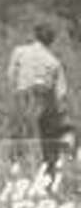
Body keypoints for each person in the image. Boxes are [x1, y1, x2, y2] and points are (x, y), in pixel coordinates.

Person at [8, 22, 71, 176]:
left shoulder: (19, 51)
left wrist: (16, 90)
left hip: (23, 95)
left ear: (35, 35)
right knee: (48, 137)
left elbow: (10, 75)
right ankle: (49, 171)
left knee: (20, 131)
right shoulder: (54, 62)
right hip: (45, 99)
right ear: (52, 40)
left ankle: (16, 165)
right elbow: (61, 92)